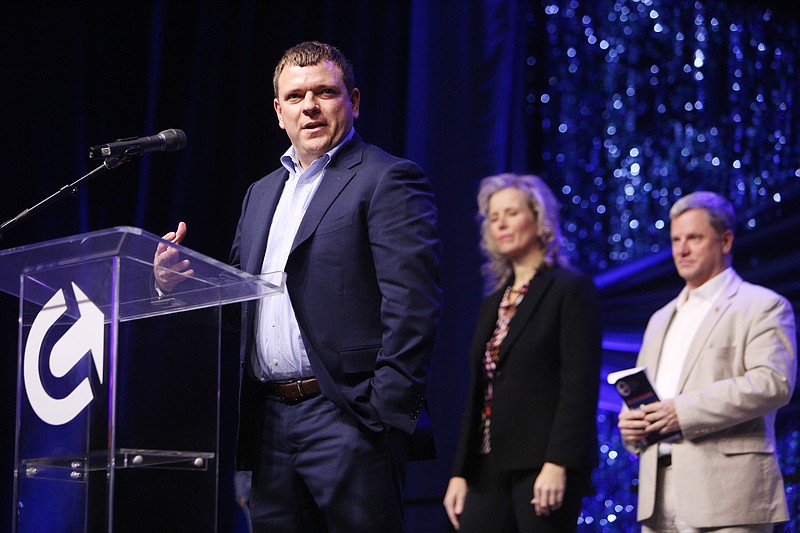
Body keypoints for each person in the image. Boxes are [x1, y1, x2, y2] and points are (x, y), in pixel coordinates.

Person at [155, 41, 441, 532]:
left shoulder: (386, 178)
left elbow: (413, 304)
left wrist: (382, 413)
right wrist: (180, 284)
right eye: (295, 96)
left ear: (353, 101)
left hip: (350, 418)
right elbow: (241, 300)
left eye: (324, 92)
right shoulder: (262, 192)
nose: (309, 105)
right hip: (269, 422)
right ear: (278, 111)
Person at [616, 191, 797, 532]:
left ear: (725, 240)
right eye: (675, 240)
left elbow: (773, 382)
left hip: (728, 494)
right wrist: (632, 425)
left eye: (694, 238)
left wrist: (680, 412)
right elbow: (646, 394)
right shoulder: (659, 318)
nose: (681, 250)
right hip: (658, 495)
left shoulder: (762, 305)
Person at [443, 174, 602, 532]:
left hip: (541, 464)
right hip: (486, 466)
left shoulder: (569, 290)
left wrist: (558, 462)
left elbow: (579, 385)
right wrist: (460, 473)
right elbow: (479, 392)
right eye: (493, 217)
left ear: (538, 218)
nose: (500, 223)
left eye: (511, 213)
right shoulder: (493, 303)